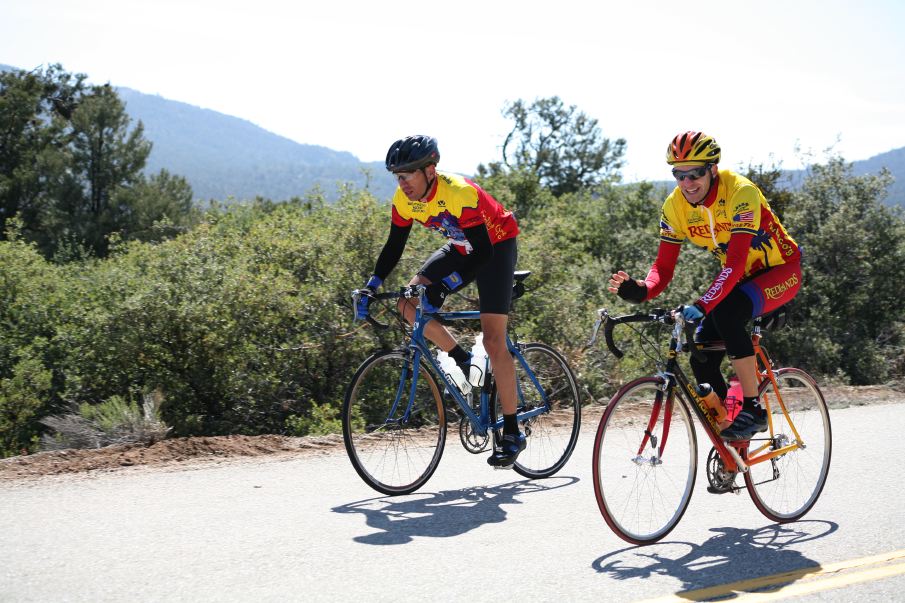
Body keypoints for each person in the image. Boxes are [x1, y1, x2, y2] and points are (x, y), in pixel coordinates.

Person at [608, 131, 802, 440]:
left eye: (695, 172)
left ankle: (753, 409)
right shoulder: (675, 206)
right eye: (679, 174)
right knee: (700, 349)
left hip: (781, 271)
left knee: (726, 315)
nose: (687, 182)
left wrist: (701, 304)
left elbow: (736, 261)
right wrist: (642, 289)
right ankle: (733, 432)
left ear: (712, 169)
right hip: (739, 280)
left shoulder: (740, 191)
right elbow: (663, 267)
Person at [355, 135, 524, 467]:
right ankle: (461, 359)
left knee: (493, 340)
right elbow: (393, 246)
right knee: (407, 303)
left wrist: (446, 286)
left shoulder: (459, 193)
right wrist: (372, 285)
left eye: (407, 176)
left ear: (430, 170)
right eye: (397, 177)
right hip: (462, 245)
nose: (402, 184)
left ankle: (513, 430)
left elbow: (484, 252)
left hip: (496, 245)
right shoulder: (404, 200)